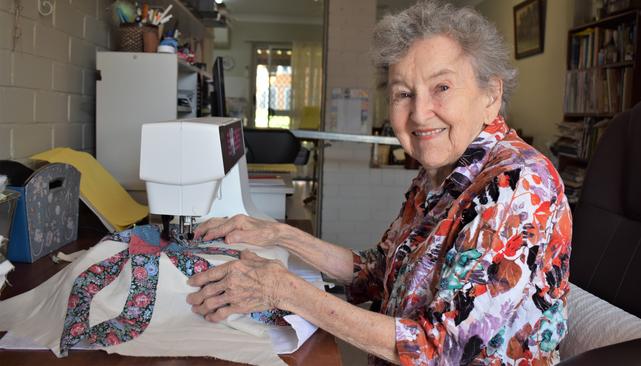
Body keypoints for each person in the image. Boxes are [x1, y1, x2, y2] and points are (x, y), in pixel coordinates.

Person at [186, 1, 572, 364]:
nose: (420, 114)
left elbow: (438, 351)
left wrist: (284, 290)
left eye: (442, 87)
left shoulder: (516, 185)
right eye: (404, 93)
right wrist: (278, 234)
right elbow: (376, 273)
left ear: (491, 95)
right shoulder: (442, 174)